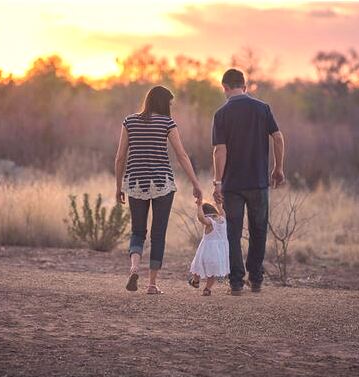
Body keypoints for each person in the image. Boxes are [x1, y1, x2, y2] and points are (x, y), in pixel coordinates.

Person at [114, 85, 202, 295]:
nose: (171, 107)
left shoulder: (130, 121)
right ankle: (152, 284)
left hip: (135, 182)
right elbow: (182, 155)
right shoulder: (167, 123)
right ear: (164, 103)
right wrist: (195, 183)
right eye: (170, 103)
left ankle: (134, 267)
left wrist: (119, 187)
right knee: (158, 234)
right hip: (162, 183)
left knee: (137, 230)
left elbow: (120, 157)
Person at [211, 69, 286, 295]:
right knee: (258, 230)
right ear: (245, 86)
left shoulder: (221, 113)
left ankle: (235, 282)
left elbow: (219, 151)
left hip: (232, 185)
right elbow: (278, 137)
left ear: (224, 87)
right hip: (258, 182)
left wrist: (217, 181)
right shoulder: (262, 109)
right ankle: (256, 279)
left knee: (232, 232)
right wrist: (278, 167)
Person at [188, 200, 230, 296]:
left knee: (197, 265)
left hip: (207, 251)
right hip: (220, 253)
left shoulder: (210, 222)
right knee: (212, 272)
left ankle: (196, 281)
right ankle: (207, 289)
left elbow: (201, 218)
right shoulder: (223, 219)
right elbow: (222, 211)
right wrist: (219, 204)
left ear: (206, 214)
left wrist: (199, 206)